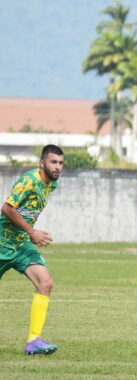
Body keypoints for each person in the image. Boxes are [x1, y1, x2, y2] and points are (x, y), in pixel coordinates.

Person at [0, 144, 64, 355]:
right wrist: (32, 231)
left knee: (45, 282)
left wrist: (28, 234)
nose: (58, 167)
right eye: (53, 162)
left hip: (21, 246)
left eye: (61, 163)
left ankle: (34, 341)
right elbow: (7, 208)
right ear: (42, 163)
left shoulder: (50, 185)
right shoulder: (29, 181)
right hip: (2, 244)